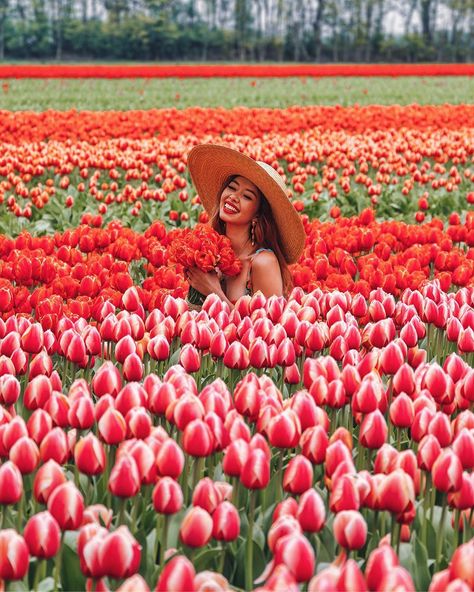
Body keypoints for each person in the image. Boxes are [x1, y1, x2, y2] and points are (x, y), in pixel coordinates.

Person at [185, 144, 305, 308]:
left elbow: (268, 327)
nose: (233, 197)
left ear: (258, 214)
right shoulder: (212, 257)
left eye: (247, 196)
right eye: (232, 187)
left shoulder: (263, 263)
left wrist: (214, 292)